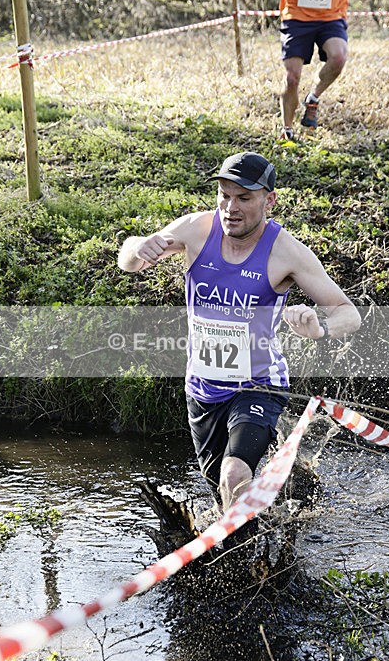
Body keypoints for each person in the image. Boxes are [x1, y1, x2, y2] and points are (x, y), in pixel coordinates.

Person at [118, 151, 361, 518]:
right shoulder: (196, 230)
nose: (231, 207)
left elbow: (349, 314)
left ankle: (247, 566)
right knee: (224, 493)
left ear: (269, 199)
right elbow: (128, 262)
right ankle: (282, 502)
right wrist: (138, 247)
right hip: (202, 388)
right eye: (225, 195)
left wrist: (320, 326)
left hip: (258, 384)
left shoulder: (285, 252)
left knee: (234, 475)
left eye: (244, 198)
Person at [254, 0, 367, 137]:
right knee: (292, 78)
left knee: (338, 57)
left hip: (331, 15)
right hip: (296, 17)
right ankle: (287, 130)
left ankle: (313, 98)